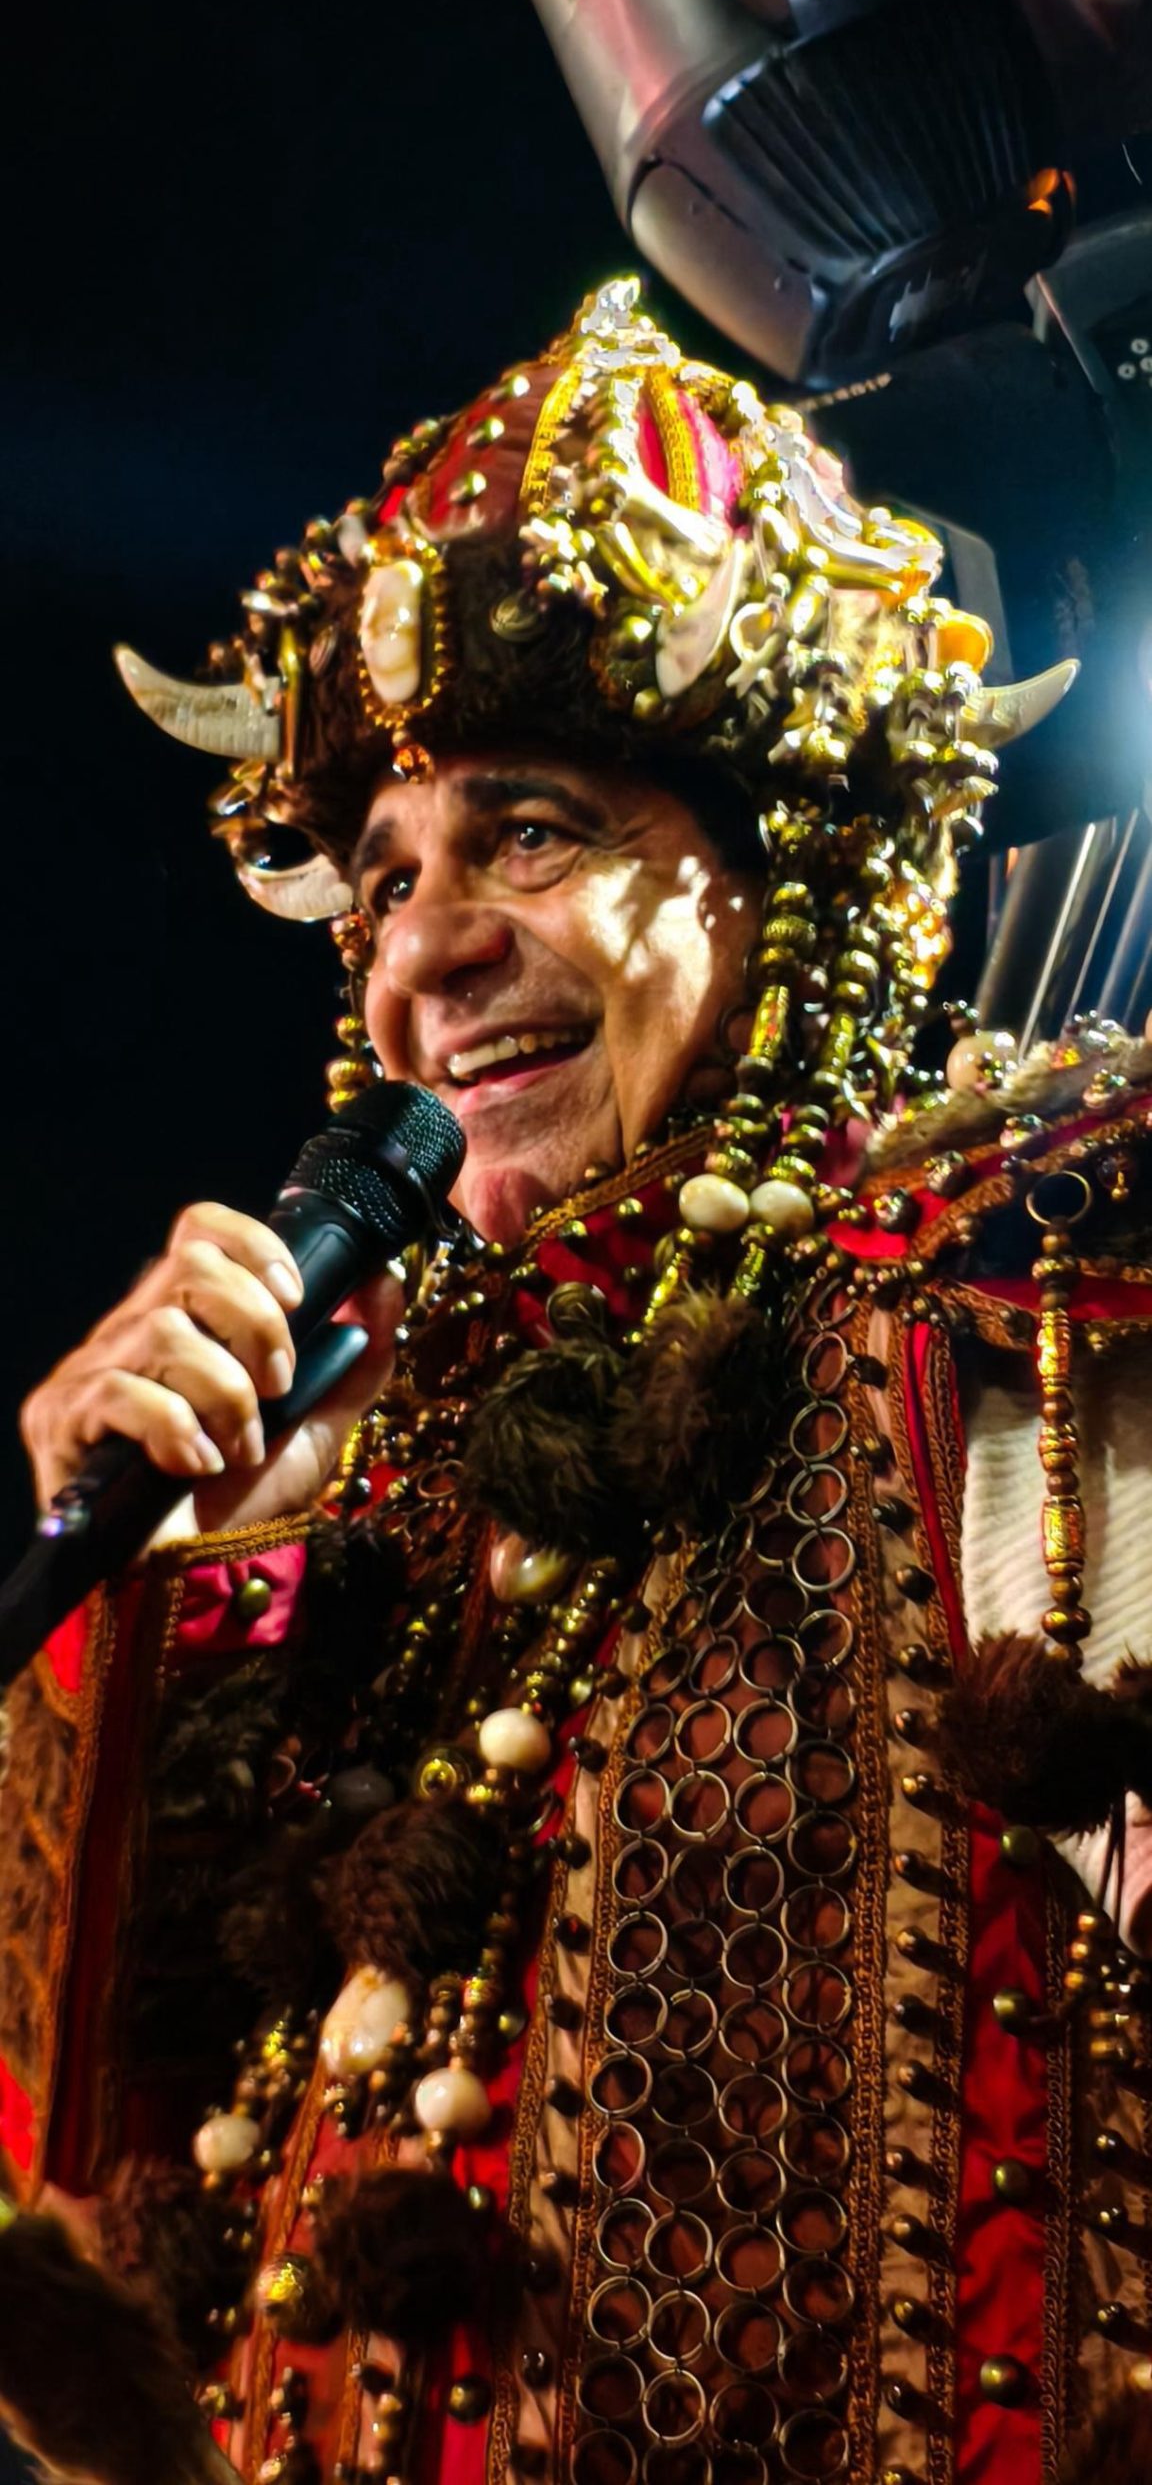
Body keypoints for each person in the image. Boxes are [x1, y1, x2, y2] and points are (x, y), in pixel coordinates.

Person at [2, 276, 1151, 2485]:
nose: (425, 949)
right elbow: (79, 2326)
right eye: (383, 879)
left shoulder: (1000, 1323)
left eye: (531, 832)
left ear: (783, 876)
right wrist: (131, 1618)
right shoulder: (346, 1520)